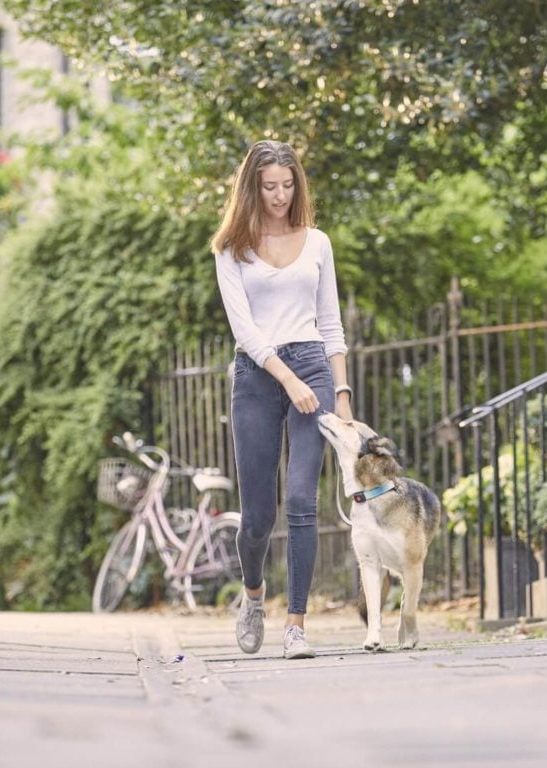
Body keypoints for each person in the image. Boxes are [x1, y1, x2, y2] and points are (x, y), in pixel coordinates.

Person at [211, 140, 354, 659]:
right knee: (257, 517)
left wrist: (340, 393)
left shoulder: (317, 242)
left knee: (300, 501)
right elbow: (244, 330)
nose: (279, 195)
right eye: (269, 186)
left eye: (287, 185)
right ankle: (253, 597)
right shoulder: (232, 248)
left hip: (312, 365)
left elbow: (331, 322)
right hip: (257, 376)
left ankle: (296, 624)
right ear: (252, 188)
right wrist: (285, 378)